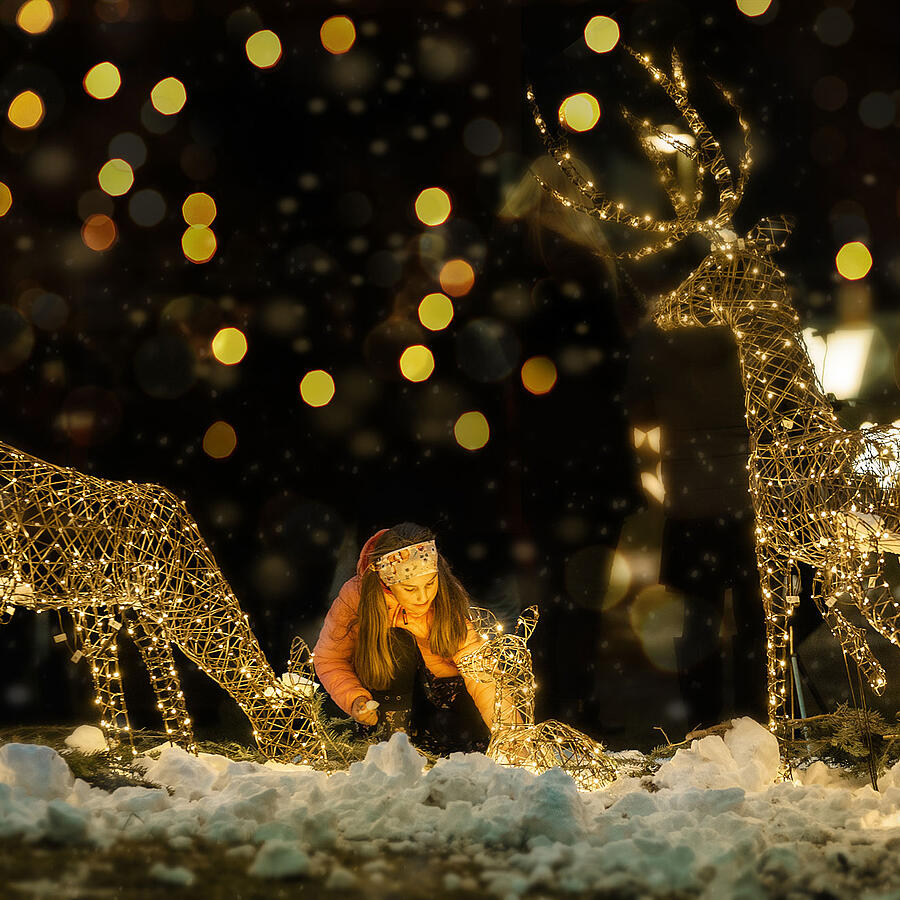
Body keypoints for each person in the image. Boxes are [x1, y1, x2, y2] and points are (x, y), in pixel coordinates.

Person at [313, 522, 497, 754]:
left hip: (443, 700)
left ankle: (443, 742)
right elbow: (329, 659)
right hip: (387, 697)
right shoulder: (356, 597)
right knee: (396, 639)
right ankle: (393, 746)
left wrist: (509, 733)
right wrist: (355, 699)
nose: (423, 597)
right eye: (410, 589)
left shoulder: (447, 595)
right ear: (386, 582)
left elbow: (479, 671)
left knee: (470, 742)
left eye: (430, 584)